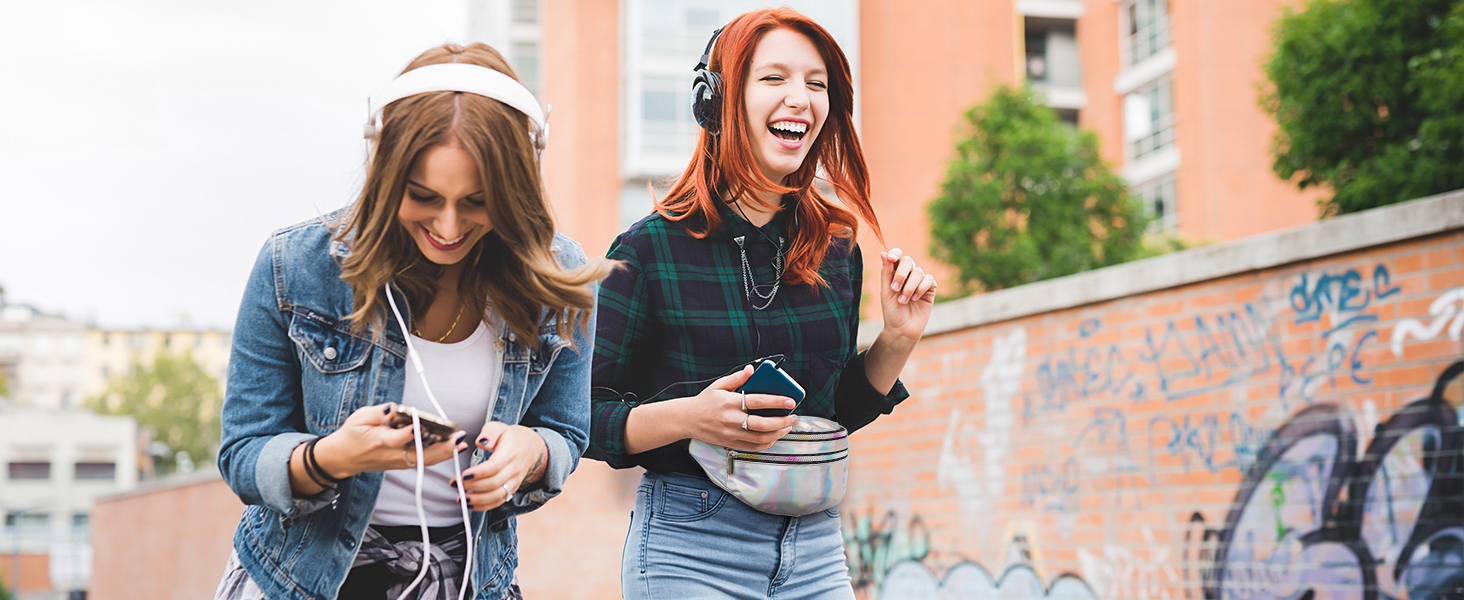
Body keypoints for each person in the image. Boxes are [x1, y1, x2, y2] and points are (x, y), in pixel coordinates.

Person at [213, 43, 610, 600]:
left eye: (477, 201)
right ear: (385, 170)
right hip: (298, 581)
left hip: (471, 581)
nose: (448, 226)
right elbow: (243, 453)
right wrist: (330, 457)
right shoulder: (295, 267)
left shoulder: (559, 276)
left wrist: (534, 454)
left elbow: (566, 433)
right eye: (423, 196)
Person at [586, 8, 938, 599]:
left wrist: (897, 339)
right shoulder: (646, 251)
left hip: (817, 545)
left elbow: (832, 413)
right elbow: (584, 421)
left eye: (816, 83)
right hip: (692, 546)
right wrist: (691, 417)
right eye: (773, 78)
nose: (799, 97)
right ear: (717, 101)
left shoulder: (837, 246)